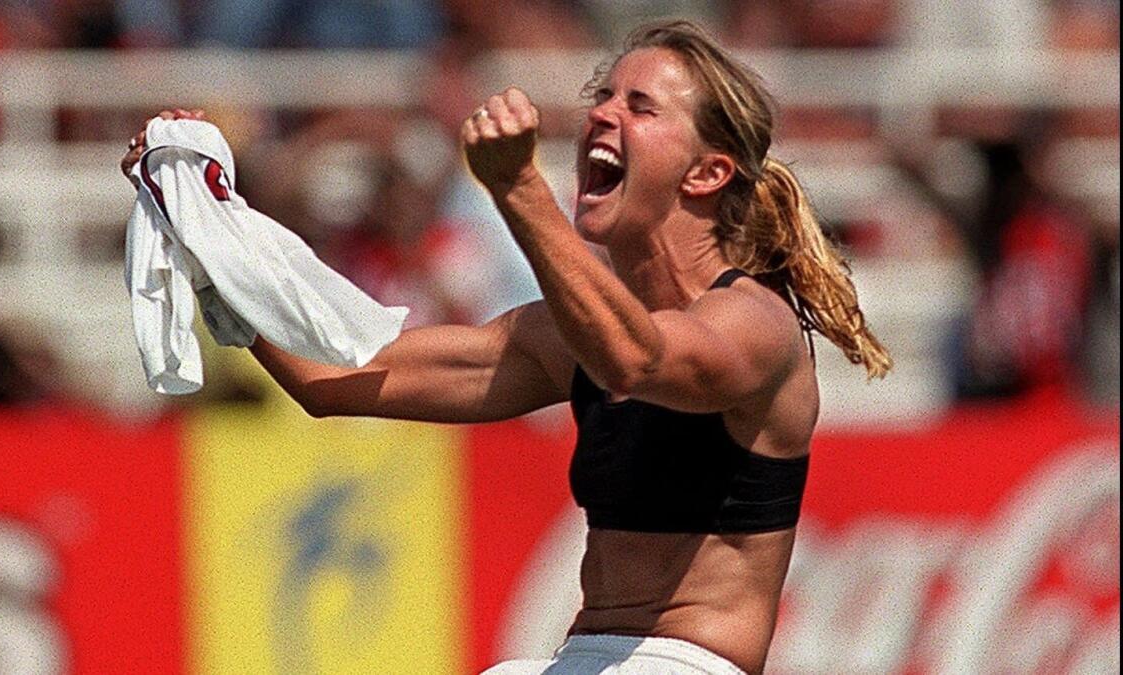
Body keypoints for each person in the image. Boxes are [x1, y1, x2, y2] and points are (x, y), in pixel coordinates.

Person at [121, 20, 890, 675]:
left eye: (640, 105)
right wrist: (209, 237)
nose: (602, 115)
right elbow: (338, 379)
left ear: (708, 171)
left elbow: (640, 360)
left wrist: (520, 190)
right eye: (603, 96)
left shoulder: (755, 324)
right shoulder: (569, 334)